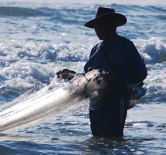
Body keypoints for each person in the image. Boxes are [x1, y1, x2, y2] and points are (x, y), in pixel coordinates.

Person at [58, 7, 147, 137]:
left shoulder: (125, 45)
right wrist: (70, 75)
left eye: (101, 26)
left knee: (113, 138)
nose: (97, 30)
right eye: (96, 27)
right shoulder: (96, 49)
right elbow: (87, 78)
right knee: (97, 137)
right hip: (96, 103)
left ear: (112, 26)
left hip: (117, 100)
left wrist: (116, 75)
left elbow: (140, 73)